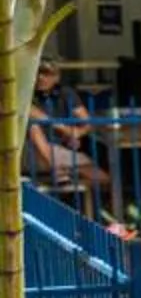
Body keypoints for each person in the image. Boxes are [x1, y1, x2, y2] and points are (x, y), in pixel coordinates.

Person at [25, 61, 109, 199]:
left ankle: (86, 207)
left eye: (46, 74)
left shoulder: (65, 93)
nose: (41, 78)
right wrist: (66, 130)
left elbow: (87, 122)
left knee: (103, 179)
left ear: (56, 77)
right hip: (32, 151)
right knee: (33, 126)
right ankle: (58, 172)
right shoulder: (26, 94)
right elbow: (36, 115)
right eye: (38, 73)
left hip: (60, 148)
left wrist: (76, 134)